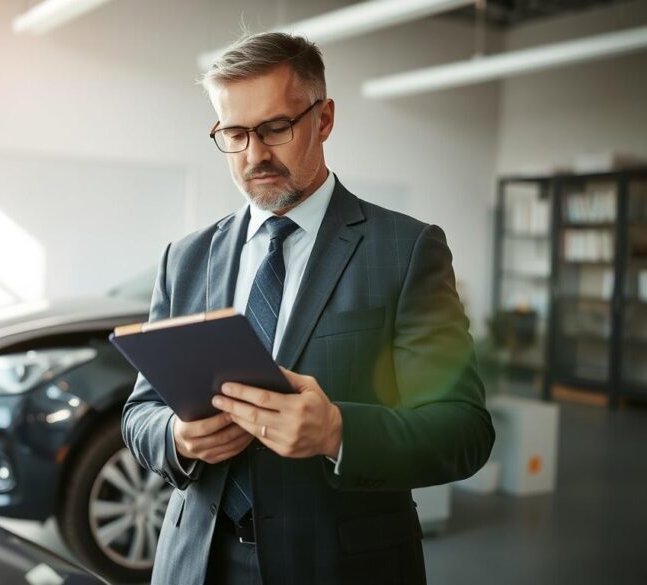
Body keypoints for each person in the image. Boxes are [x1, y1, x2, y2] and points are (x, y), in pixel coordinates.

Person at [121, 32, 495, 585]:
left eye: (275, 127)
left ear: (324, 119)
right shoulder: (186, 257)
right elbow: (139, 413)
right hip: (196, 563)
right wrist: (175, 438)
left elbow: (463, 432)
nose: (255, 154)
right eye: (234, 133)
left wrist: (339, 432)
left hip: (338, 565)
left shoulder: (405, 249)